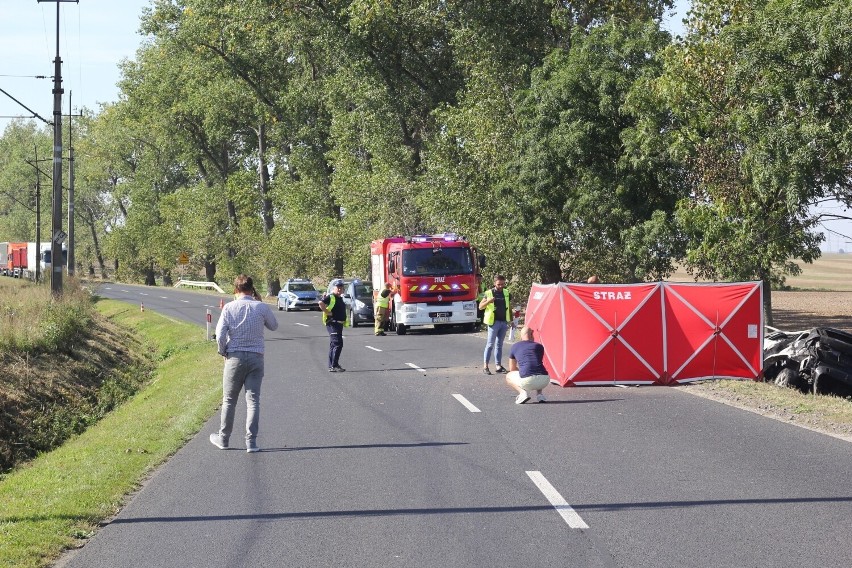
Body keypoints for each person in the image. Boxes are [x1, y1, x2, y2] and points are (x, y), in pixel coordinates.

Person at [210, 274, 279, 453]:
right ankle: (251, 442)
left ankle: (224, 438)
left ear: (235, 290)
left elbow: (220, 335)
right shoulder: (261, 307)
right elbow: (274, 326)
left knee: (229, 400)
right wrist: (260, 302)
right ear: (252, 289)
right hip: (256, 357)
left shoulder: (229, 308)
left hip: (235, 357)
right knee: (253, 401)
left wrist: (223, 351)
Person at [506, 326, 550, 404]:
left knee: (508, 376)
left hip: (527, 380)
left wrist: (521, 372)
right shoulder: (539, 346)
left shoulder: (514, 347)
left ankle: (523, 393)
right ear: (531, 335)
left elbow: (512, 368)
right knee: (538, 368)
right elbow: (536, 363)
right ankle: (540, 395)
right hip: (544, 380)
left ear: (521, 335)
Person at [479, 274, 512, 375]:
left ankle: (498, 366)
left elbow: (509, 307)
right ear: (494, 283)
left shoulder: (506, 293)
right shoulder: (489, 293)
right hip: (493, 322)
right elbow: (480, 307)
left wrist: (511, 320)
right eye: (499, 284)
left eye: (502, 284)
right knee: (490, 345)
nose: (501, 286)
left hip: (503, 322)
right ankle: (486, 366)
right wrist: (488, 301)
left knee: (499, 345)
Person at [320, 278, 348, 372]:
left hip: (338, 324)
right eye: (338, 287)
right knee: (337, 344)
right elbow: (321, 302)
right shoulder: (331, 296)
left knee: (333, 345)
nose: (340, 289)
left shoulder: (340, 298)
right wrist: (327, 312)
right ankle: (334, 365)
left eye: (341, 287)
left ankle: (332, 365)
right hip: (333, 323)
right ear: (334, 288)